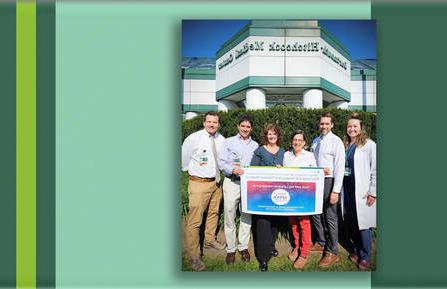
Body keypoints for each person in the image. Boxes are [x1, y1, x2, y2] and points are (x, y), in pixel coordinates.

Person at [181, 111, 226, 271]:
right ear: (204, 122)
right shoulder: (193, 139)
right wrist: (197, 173)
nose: (212, 124)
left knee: (214, 213)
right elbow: (184, 162)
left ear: (218, 124)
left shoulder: (221, 139)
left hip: (216, 183)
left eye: (215, 122)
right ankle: (193, 256)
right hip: (198, 184)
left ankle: (209, 240)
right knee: (195, 220)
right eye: (209, 122)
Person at [218, 115, 258, 265]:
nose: (245, 129)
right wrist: (233, 170)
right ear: (238, 126)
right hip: (231, 182)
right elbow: (221, 163)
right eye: (243, 126)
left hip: (248, 185)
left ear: (251, 128)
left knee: (246, 215)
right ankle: (231, 249)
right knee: (229, 215)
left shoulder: (255, 145)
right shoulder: (228, 142)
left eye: (248, 126)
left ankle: (243, 247)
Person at [310, 112, 345, 268]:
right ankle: (321, 241)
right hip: (316, 181)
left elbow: (339, 167)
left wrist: (336, 191)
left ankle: (333, 252)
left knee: (330, 217)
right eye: (322, 123)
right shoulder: (316, 141)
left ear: (332, 125)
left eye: (326, 123)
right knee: (316, 213)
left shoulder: (336, 141)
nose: (323, 126)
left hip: (330, 181)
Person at [342, 113, 376, 270]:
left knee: (363, 226)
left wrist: (373, 192)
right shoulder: (347, 145)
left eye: (355, 126)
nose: (352, 129)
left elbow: (376, 169)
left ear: (361, 128)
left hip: (362, 192)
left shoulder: (369, 145)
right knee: (352, 224)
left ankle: (365, 256)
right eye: (350, 126)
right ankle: (355, 250)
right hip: (348, 191)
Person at [250, 123, 285, 271]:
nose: (272, 136)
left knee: (275, 223)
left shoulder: (283, 151)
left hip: (278, 194)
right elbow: (253, 170)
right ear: (266, 135)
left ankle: (271, 247)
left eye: (274, 134)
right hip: (262, 195)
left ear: (278, 136)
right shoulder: (259, 151)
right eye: (269, 134)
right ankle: (263, 258)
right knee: (263, 224)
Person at [283, 130, 317, 269]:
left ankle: (304, 253)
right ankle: (297, 246)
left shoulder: (309, 156)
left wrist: (322, 172)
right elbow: (284, 174)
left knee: (304, 223)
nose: (297, 142)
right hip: (289, 195)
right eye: (294, 140)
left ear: (304, 142)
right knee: (293, 222)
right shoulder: (286, 155)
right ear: (292, 141)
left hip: (304, 195)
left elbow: (315, 173)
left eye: (300, 140)